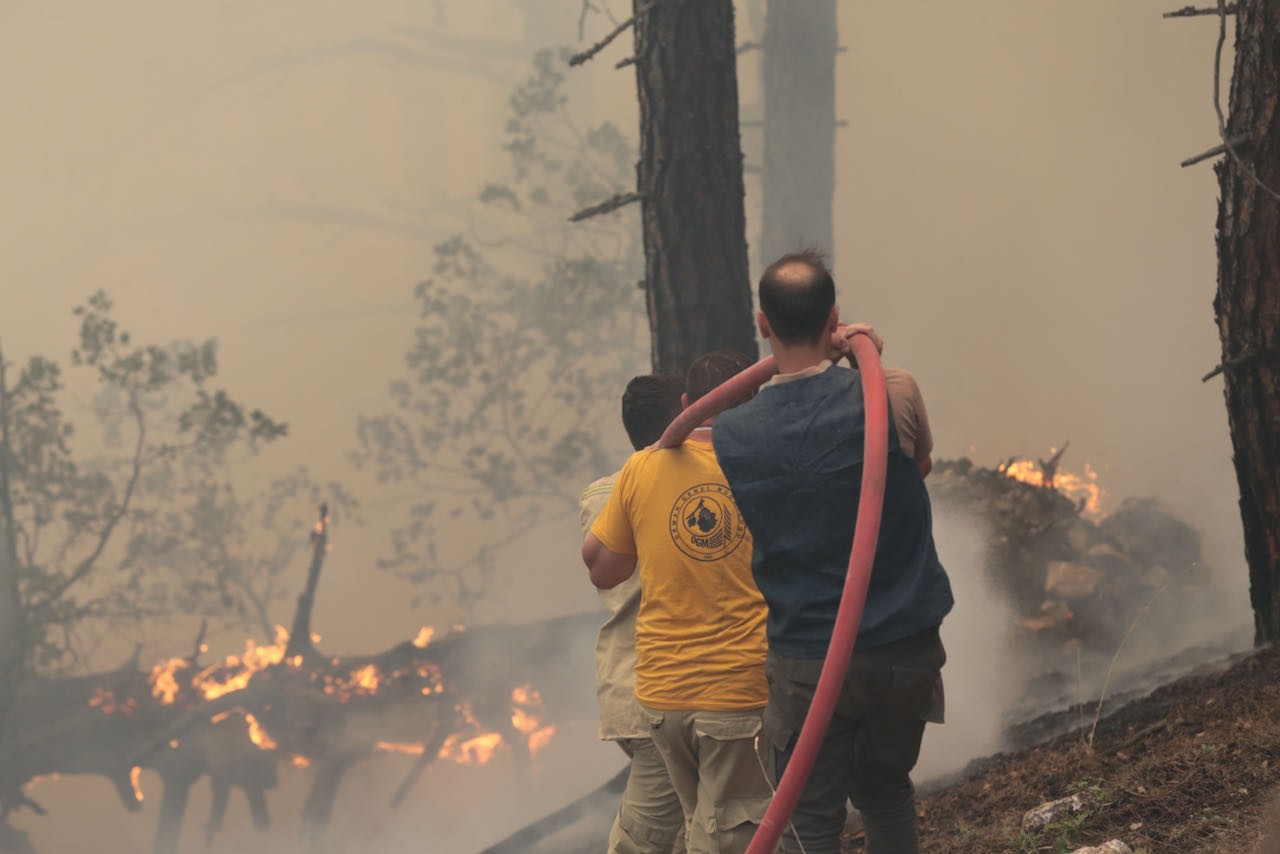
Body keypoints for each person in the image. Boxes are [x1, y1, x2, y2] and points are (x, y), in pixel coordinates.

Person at [712, 250, 954, 854]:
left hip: (806, 658)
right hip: (904, 645)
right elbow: (911, 469)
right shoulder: (890, 392)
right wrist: (861, 358)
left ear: (763, 324)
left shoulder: (733, 434)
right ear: (836, 317)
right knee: (886, 791)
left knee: (811, 821)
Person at [583, 352, 773, 854]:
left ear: (690, 406)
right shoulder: (761, 468)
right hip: (726, 689)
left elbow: (599, 564)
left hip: (659, 693)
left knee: (696, 826)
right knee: (721, 832)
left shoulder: (634, 474)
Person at [579, 373, 687, 854]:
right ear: (685, 411)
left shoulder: (603, 493)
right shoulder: (683, 484)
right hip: (660, 695)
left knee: (690, 827)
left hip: (631, 690)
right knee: (645, 839)